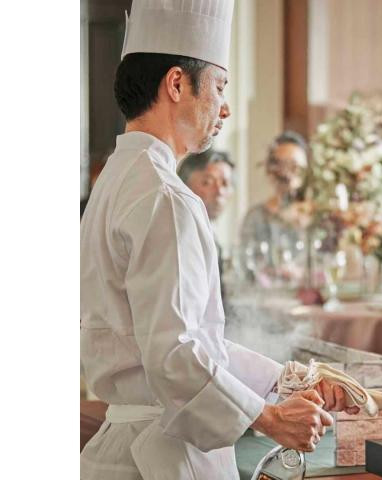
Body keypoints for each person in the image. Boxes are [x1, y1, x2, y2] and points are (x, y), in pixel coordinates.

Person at [80, 2, 357, 479]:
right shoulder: (165, 197)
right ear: (176, 84)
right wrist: (270, 419)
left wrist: (288, 380)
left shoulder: (116, 177)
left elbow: (188, 339)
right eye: (220, 86)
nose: (224, 107)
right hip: (160, 455)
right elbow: (175, 357)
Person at [240, 131, 308, 274]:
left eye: (294, 166)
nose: (287, 174)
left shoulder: (318, 216)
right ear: (269, 170)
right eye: (281, 165)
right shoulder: (255, 217)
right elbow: (246, 265)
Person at [178, 148, 234, 298]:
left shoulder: (211, 236)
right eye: (207, 182)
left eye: (225, 183)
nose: (219, 191)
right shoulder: (180, 237)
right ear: (183, 186)